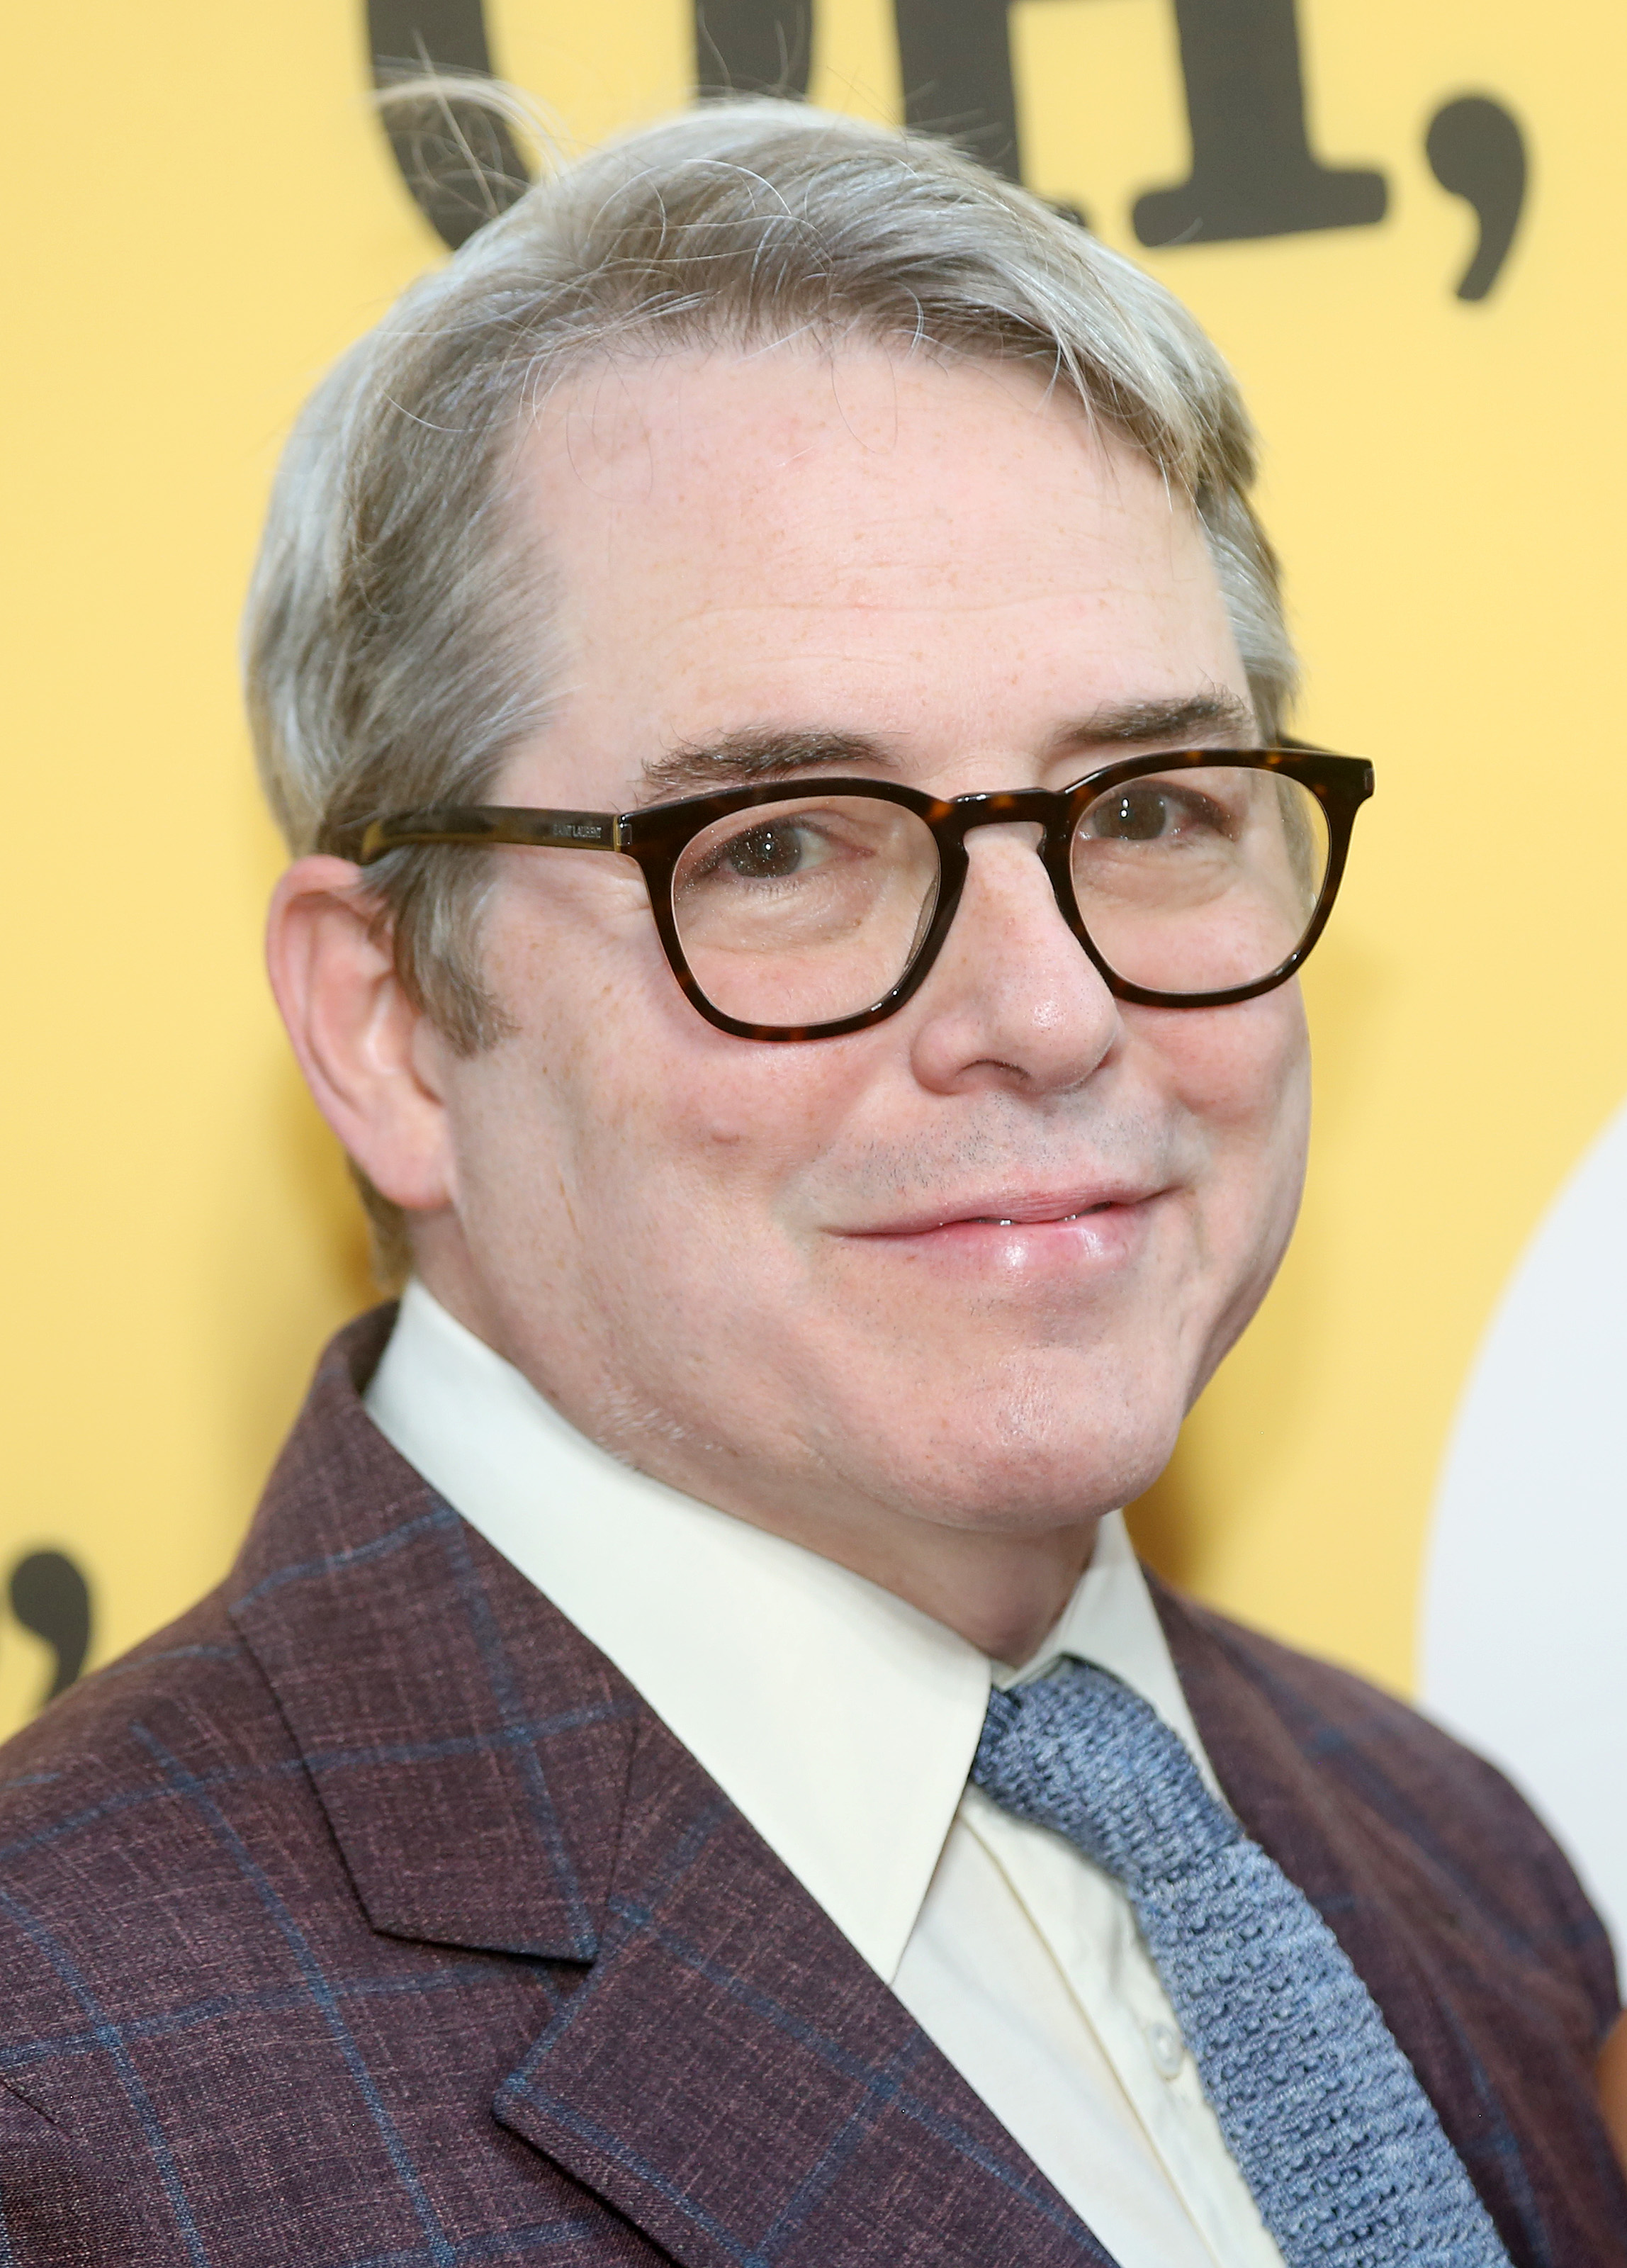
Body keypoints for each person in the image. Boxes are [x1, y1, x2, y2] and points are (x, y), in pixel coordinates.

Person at [0, 96, 1618, 2267]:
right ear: (388, 1024)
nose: (1045, 1013)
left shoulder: (1450, 1853)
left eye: (1145, 808)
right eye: (779, 851)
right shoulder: (62, 2095)